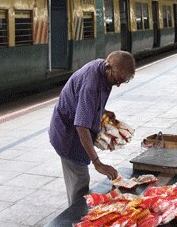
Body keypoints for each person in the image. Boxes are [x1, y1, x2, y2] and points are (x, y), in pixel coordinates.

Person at [49, 50, 135, 205]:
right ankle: (76, 218)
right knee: (80, 183)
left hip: (74, 132)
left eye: (123, 81)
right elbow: (81, 125)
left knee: (80, 180)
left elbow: (86, 104)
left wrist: (102, 111)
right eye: (117, 80)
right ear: (108, 67)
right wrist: (98, 163)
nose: (118, 84)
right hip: (68, 136)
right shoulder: (91, 85)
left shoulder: (104, 71)